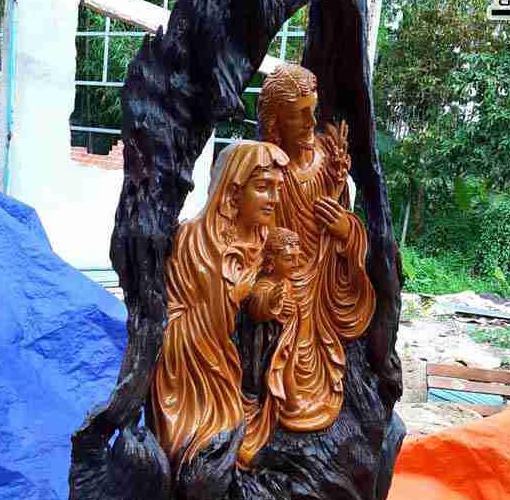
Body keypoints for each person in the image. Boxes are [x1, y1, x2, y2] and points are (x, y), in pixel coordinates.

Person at [149, 140, 288, 470]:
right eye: (263, 187)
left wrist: (269, 301)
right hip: (195, 376)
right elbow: (174, 316)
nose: (274, 199)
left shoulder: (266, 240)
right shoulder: (194, 240)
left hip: (249, 374)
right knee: (204, 457)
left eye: (278, 189)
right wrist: (234, 296)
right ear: (234, 191)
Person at [256, 62, 375, 433]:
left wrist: (345, 228)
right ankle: (287, 401)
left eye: (314, 111)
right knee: (289, 353)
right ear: (276, 123)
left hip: (326, 280)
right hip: (288, 275)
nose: (311, 123)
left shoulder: (328, 156)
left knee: (325, 347)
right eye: (299, 116)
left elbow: (345, 220)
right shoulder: (269, 170)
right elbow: (256, 236)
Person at [239, 228, 302, 465]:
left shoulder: (285, 283)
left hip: (281, 347)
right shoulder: (263, 285)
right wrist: (273, 304)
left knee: (283, 378)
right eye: (288, 259)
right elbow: (258, 305)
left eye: (297, 257)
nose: (295, 263)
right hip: (262, 349)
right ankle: (258, 419)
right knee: (264, 382)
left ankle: (281, 410)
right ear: (271, 261)